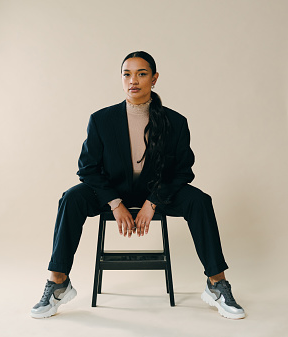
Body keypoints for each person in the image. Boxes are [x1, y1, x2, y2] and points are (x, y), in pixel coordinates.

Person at [30, 51, 245, 320]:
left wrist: (152, 202)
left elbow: (182, 171)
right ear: (121, 79)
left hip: (158, 191)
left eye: (141, 74)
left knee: (199, 200)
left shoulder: (175, 122)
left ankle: (216, 283)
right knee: (71, 198)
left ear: (154, 79)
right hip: (112, 189)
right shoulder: (101, 120)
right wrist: (115, 203)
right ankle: (58, 281)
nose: (133, 80)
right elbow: (87, 168)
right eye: (127, 74)